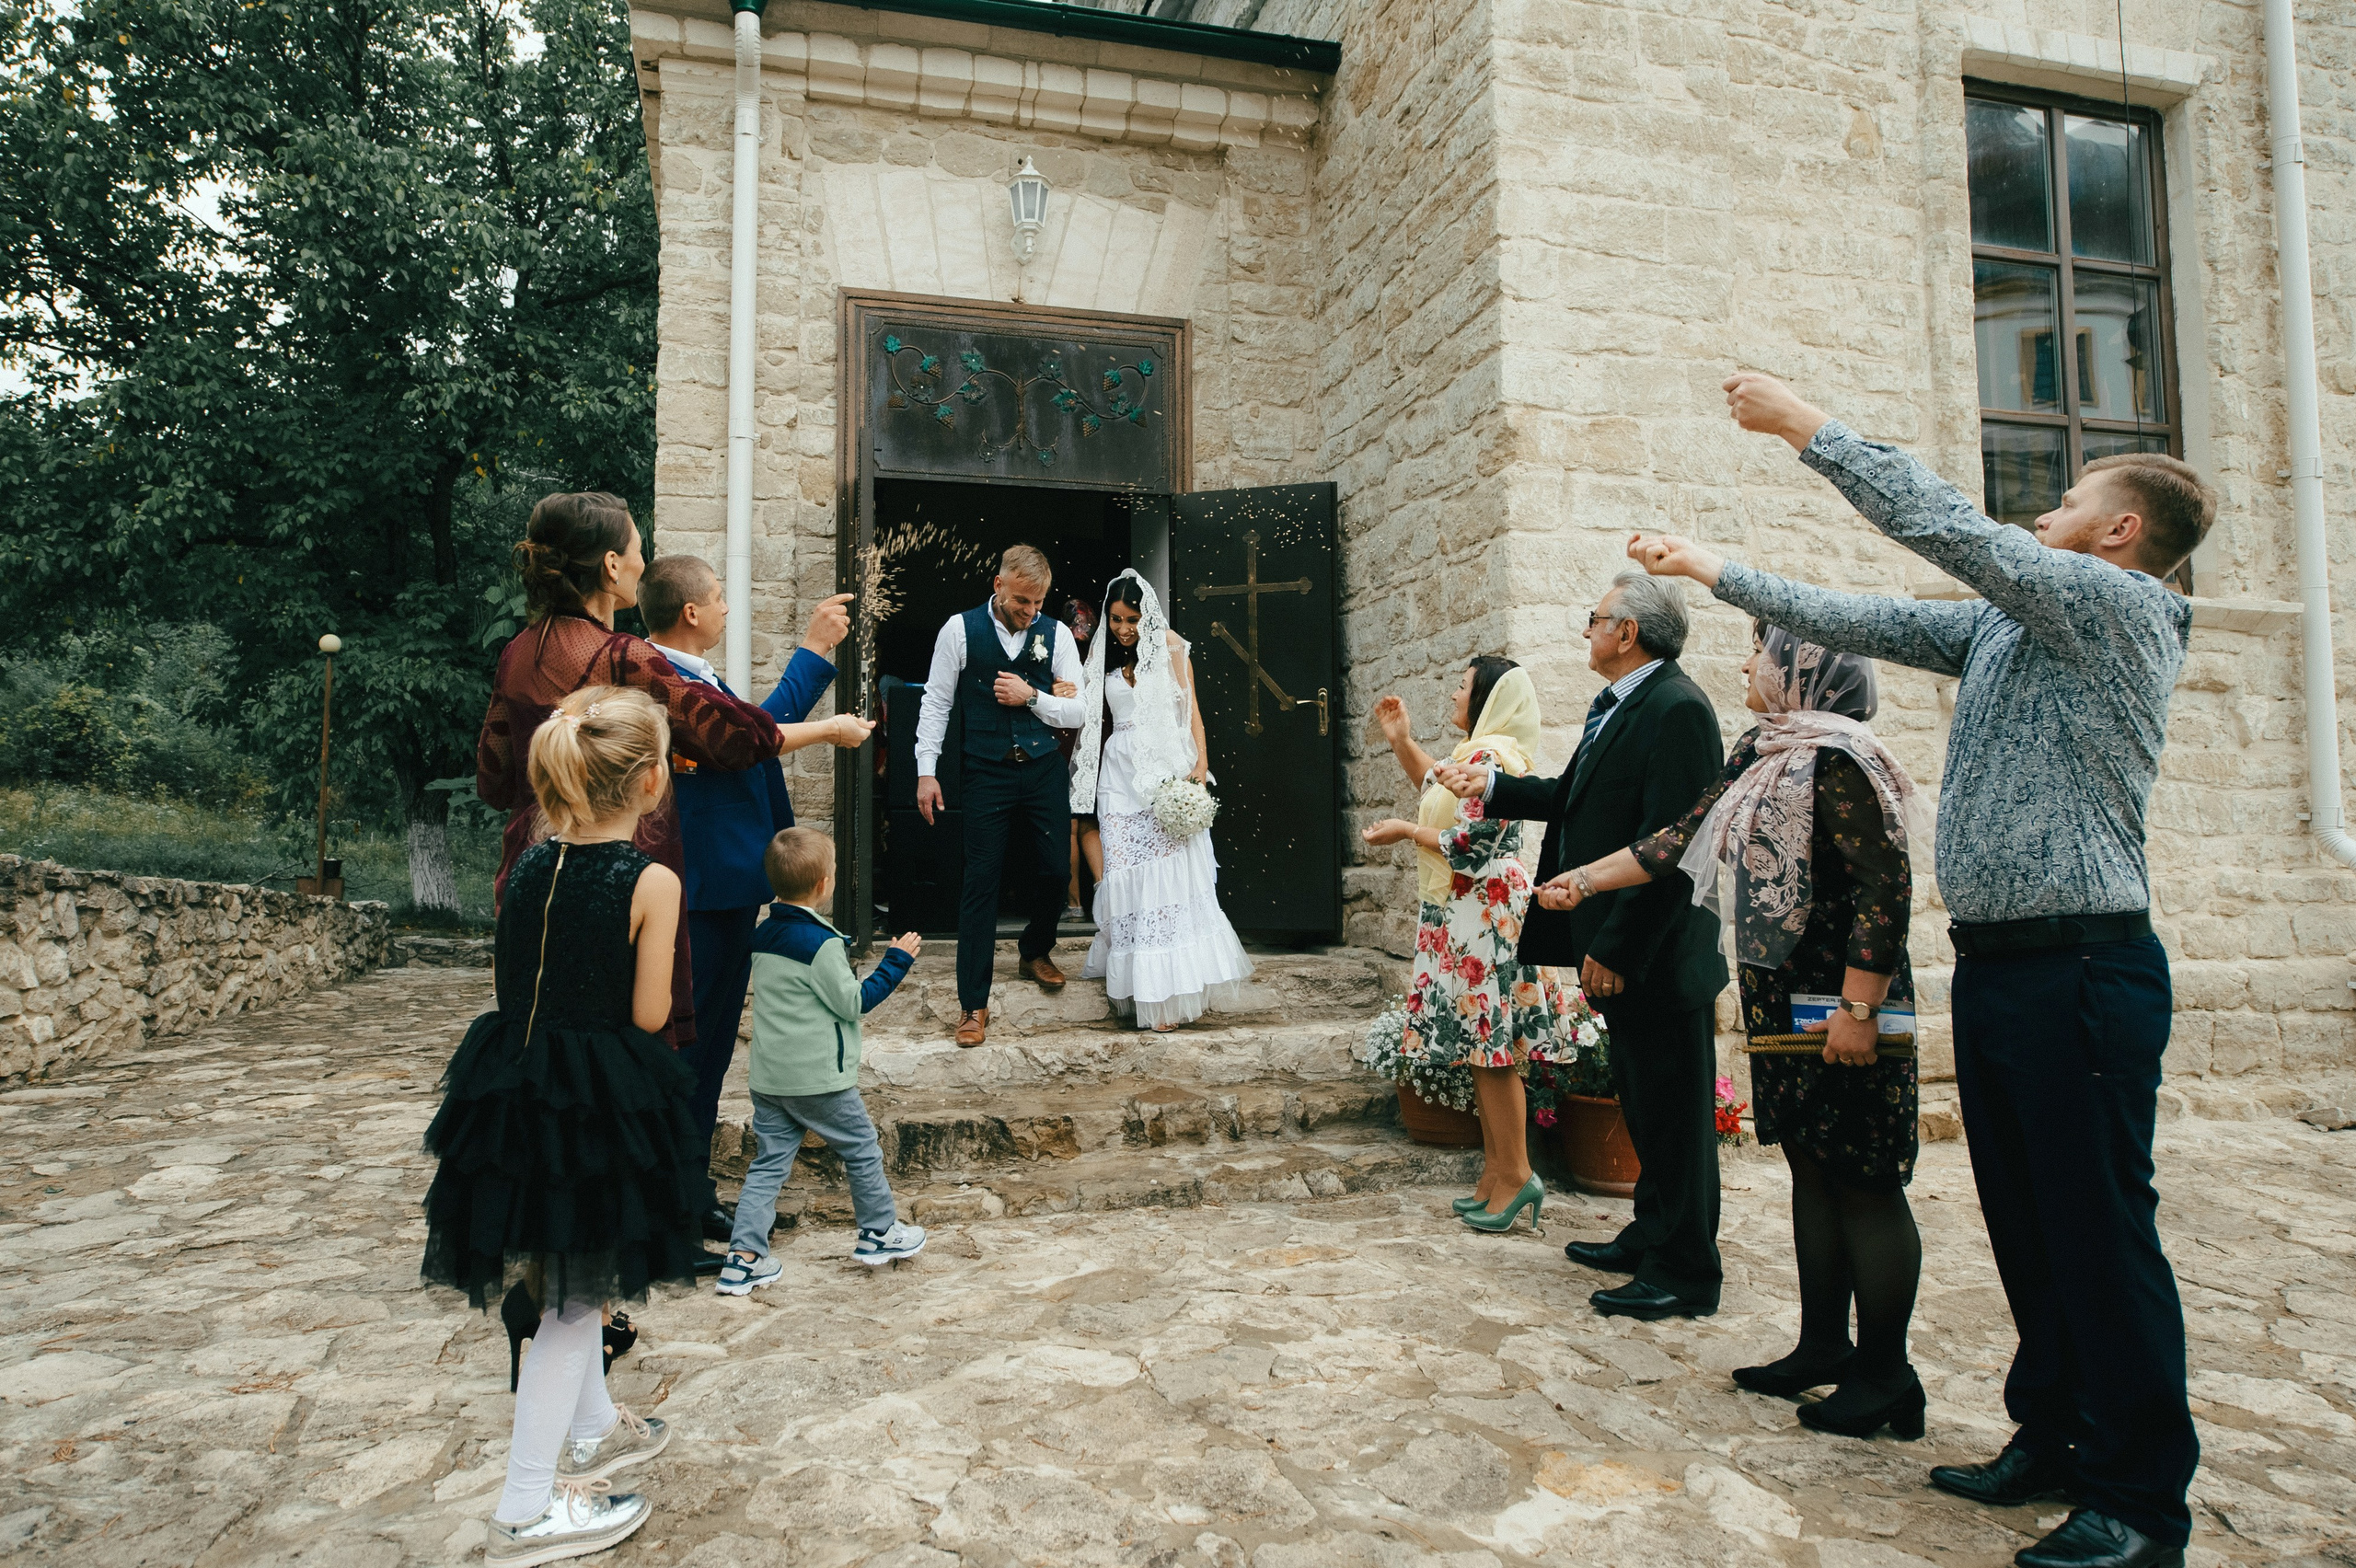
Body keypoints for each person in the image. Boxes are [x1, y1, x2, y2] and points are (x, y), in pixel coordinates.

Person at [1625, 370, 2217, 1568]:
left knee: (2101, 1234)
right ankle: (2051, 1437)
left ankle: (2142, 1504)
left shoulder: (2116, 609)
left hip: (2085, 969)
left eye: (2067, 499)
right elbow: (1860, 617)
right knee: (2029, 1225)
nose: (2044, 509)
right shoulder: (2010, 624)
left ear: (2120, 532)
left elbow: (1945, 524)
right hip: (2001, 970)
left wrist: (1807, 429)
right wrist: (1711, 567)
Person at [1539, 625, 1933, 1438]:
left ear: (1803, 674)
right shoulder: (1759, 753)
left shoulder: (1845, 758)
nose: (1747, 666)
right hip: (1780, 999)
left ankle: (1888, 1375)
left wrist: (1860, 1011)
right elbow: (1675, 840)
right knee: (1812, 1171)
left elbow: (1883, 888)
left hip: (1843, 1007)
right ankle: (1823, 1345)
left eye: (1763, 655)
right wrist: (1583, 880)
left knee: (1863, 1180)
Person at [422, 686, 702, 1565]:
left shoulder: (533, 862)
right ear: (653, 780)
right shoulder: (652, 880)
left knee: (571, 1268)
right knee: (574, 1305)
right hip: (594, 1097)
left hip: (513, 1086)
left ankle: (589, 1430)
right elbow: (653, 1010)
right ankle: (524, 1507)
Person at [474, 492, 872, 1057]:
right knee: (645, 1051)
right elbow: (736, 737)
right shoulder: (621, 657)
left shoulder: (515, 653)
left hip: (530, 873)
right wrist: (831, 729)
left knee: (547, 1036)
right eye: (638, 549)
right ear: (612, 566)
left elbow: (492, 781)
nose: (643, 561)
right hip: (617, 875)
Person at [1434, 572, 1726, 1319]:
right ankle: (1650, 1234)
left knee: (1675, 1113)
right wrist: (1490, 787)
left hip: (1653, 951)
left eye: (1593, 619)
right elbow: (1576, 795)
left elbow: (1673, 850)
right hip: (1619, 941)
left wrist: (1620, 947)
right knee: (1643, 1098)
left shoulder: (1679, 708)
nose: (1585, 631)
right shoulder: (1627, 704)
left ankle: (1686, 1268)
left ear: (1627, 632)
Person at [638, 552, 860, 1242]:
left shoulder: (693, 676)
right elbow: (749, 742)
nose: (730, 608)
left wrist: (817, 649)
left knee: (705, 1054)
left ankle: (688, 1191)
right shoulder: (665, 681)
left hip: (726, 888)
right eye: (721, 598)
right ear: (692, 613)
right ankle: (670, 1206)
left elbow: (750, 733)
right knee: (689, 1051)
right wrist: (824, 695)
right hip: (701, 892)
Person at [1361, 658, 1576, 1234]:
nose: (1454, 692)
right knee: (1483, 1052)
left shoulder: (1490, 759)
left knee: (1493, 1050)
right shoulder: (1473, 757)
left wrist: (1406, 831)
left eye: (1463, 685)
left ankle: (1516, 1173)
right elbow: (1436, 785)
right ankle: (1498, 1171)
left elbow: (1470, 846)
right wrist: (1403, 741)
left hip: (1482, 909)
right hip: (1469, 909)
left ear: (1487, 699)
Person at [715, 827, 927, 1294]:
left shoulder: (764, 934)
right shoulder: (822, 945)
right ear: (823, 885)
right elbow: (854, 1002)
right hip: (818, 1080)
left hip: (770, 1077)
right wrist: (895, 960)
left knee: (769, 1164)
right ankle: (878, 1233)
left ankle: (743, 1258)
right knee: (862, 1148)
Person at [913, 544, 1089, 1048]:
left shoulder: (1055, 635)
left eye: (1038, 603)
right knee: (980, 886)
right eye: (1022, 602)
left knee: (1057, 870)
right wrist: (928, 772)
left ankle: (1035, 948)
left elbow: (1079, 715)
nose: (1031, 612)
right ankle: (973, 1004)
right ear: (999, 585)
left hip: (1041, 771)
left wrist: (1032, 697)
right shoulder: (958, 630)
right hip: (985, 772)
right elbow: (936, 703)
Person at [1068, 571, 1254, 1031]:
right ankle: (1136, 983)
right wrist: (1063, 693)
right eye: (1115, 619)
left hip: (1162, 769)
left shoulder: (1172, 646)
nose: (1123, 628)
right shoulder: (1102, 653)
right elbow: (1086, 708)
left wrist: (1199, 768)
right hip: (1117, 774)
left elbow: (1192, 711)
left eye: (1132, 619)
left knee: (1167, 874)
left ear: (1147, 613)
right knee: (1125, 870)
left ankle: (1167, 994)